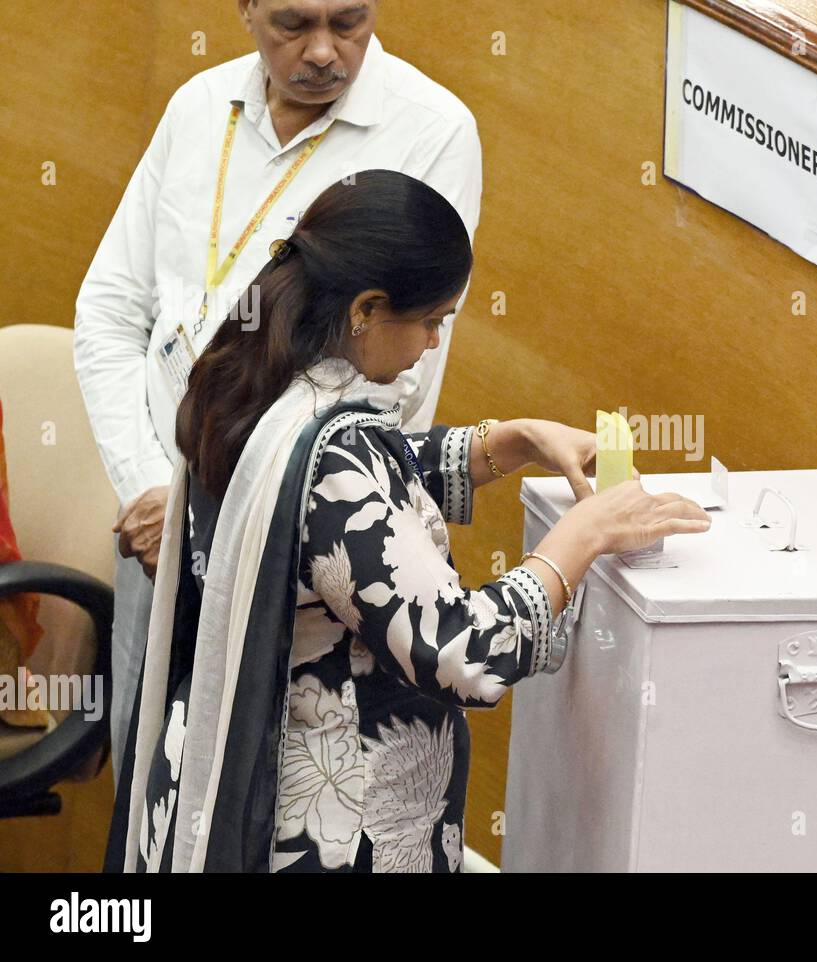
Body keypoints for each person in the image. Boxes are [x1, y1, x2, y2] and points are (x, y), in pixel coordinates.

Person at [103, 170, 712, 873]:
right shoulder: (335, 452)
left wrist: (508, 441)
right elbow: (464, 653)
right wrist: (583, 536)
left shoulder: (247, 374)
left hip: (208, 785)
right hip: (319, 831)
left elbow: (325, 502)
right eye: (430, 321)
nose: (431, 343)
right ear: (366, 308)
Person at [73, 0, 483, 785]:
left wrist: (211, 512)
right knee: (149, 787)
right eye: (294, 24)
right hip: (155, 528)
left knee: (256, 808)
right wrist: (154, 490)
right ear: (246, 8)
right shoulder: (197, 107)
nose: (325, 51)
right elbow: (111, 314)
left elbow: (391, 384)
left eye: (350, 22)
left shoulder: (431, 129)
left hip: (291, 553)